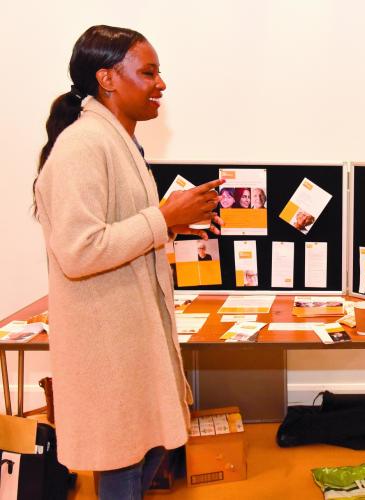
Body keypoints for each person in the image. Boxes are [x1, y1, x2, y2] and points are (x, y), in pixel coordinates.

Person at [33, 25, 224, 499]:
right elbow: (79, 250)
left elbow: (120, 230)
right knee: (123, 465)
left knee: (148, 449)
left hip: (130, 337)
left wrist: (171, 224)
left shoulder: (118, 142)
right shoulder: (83, 145)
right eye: (149, 73)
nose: (161, 84)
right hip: (108, 343)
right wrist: (163, 218)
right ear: (107, 79)